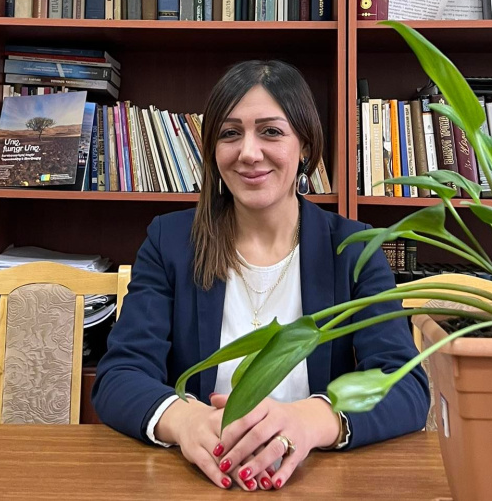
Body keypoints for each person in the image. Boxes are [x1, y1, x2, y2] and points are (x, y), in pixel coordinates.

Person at [92, 60, 430, 491]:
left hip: (315, 483)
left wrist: (311, 420)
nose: (249, 153)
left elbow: (404, 385)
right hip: (195, 481)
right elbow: (120, 375)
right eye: (230, 134)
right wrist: (186, 420)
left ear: (305, 145)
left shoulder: (352, 249)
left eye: (270, 131)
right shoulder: (170, 242)